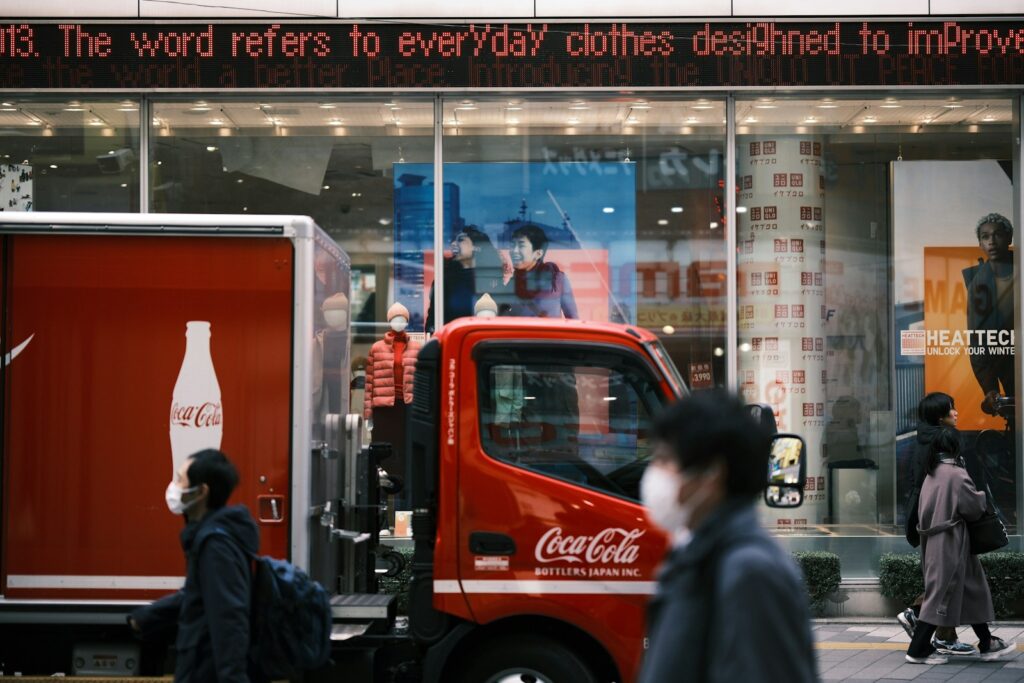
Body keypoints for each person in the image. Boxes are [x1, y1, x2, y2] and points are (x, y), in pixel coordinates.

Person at [637, 390, 817, 683]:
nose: (654, 473)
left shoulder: (750, 571)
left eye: (666, 460)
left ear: (712, 473)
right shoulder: (700, 552)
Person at [129, 449, 261, 683]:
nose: (174, 486)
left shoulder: (215, 545)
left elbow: (229, 619)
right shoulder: (210, 537)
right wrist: (149, 617)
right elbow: (198, 593)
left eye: (180, 479)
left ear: (201, 492)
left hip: (205, 672)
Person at [905, 427, 1016, 664]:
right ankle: (917, 649)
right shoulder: (956, 474)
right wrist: (982, 496)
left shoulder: (932, 472)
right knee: (940, 594)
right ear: (957, 446)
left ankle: (987, 642)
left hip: (938, 542)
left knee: (971, 590)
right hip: (952, 543)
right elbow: (973, 508)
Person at [897, 392, 989, 654]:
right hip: (943, 518)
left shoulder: (924, 438)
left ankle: (947, 635)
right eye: (952, 410)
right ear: (940, 416)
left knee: (951, 578)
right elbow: (952, 488)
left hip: (929, 515)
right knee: (946, 578)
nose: (956, 413)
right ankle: (921, 621)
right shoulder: (940, 444)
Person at [962, 213, 1015, 415]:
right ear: (980, 244)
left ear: (1009, 238)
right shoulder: (978, 285)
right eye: (985, 237)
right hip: (1006, 364)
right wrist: (990, 388)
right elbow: (978, 340)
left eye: (997, 235)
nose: (991, 241)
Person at [425, 226, 504, 334]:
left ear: (477, 247)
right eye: (453, 240)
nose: (453, 244)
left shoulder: (492, 280)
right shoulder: (444, 279)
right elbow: (432, 321)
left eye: (461, 240)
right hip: (453, 343)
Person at [497, 224, 578, 319]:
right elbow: (500, 317)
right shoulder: (512, 283)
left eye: (521, 245)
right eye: (512, 245)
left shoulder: (557, 280)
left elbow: (573, 319)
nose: (514, 251)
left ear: (538, 253)